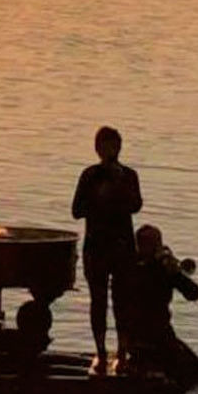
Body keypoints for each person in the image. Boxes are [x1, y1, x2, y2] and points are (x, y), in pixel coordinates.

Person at [71, 126, 142, 375]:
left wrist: (117, 184)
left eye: (114, 146)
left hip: (122, 248)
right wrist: (98, 195)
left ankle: (122, 352)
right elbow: (76, 210)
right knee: (98, 301)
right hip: (97, 248)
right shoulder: (89, 175)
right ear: (98, 149)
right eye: (105, 146)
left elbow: (136, 205)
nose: (110, 151)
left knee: (123, 301)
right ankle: (100, 352)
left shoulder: (129, 176)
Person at [116, 225, 198, 386]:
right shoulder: (162, 270)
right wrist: (174, 272)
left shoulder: (127, 269)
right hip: (160, 338)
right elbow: (193, 293)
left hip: (134, 339)